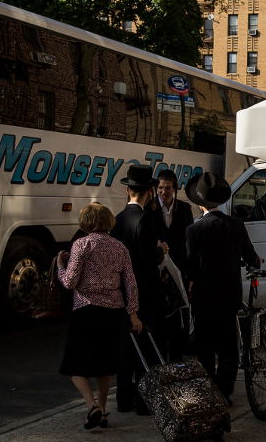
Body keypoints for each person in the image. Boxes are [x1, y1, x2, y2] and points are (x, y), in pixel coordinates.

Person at [57, 202, 142, 430]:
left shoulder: (81, 245)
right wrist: (133, 314)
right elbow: (130, 284)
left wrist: (59, 266)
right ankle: (103, 411)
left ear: (86, 223)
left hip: (86, 309)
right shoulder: (119, 247)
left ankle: (91, 405)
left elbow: (70, 282)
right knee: (104, 365)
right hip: (113, 311)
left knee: (74, 365)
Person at [184, 171, 261, 404]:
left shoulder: (194, 230)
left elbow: (190, 267)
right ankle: (225, 390)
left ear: (200, 204)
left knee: (205, 348)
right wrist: (254, 263)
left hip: (204, 296)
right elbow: (251, 257)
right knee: (228, 347)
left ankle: (211, 390)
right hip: (229, 294)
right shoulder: (236, 225)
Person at [111, 164, 168, 415]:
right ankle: (144, 402)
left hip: (122, 288)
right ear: (149, 191)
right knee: (148, 343)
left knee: (127, 345)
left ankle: (123, 398)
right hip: (145, 288)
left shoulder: (119, 219)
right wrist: (161, 251)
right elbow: (147, 258)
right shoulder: (145, 219)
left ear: (128, 191)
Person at [151, 168, 195, 361]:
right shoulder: (150, 208)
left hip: (180, 270)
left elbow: (190, 242)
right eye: (160, 188)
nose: (163, 192)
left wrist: (191, 274)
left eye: (167, 188)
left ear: (174, 189)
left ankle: (177, 359)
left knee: (179, 315)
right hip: (158, 270)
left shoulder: (184, 209)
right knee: (160, 315)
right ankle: (160, 358)